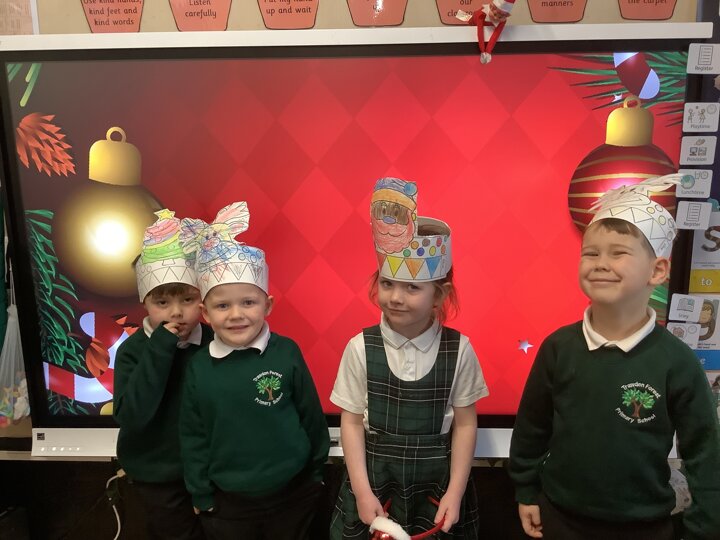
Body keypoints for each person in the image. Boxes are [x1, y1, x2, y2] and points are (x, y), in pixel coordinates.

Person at [509, 174, 720, 540]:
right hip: (560, 518)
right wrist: (526, 489)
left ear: (657, 270)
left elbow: (704, 452)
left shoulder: (677, 361)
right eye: (590, 253)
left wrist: (704, 527)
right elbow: (532, 426)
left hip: (645, 526)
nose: (600, 263)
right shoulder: (558, 347)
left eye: (618, 253)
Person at [329, 178, 489, 539]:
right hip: (374, 483)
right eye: (387, 284)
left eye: (412, 287)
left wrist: (455, 493)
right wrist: (362, 492)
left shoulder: (459, 350)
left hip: (436, 486)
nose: (395, 297)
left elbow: (465, 425)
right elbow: (351, 423)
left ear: (439, 295)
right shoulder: (360, 347)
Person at [178, 201, 330, 540]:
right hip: (229, 505)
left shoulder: (287, 352)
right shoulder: (199, 368)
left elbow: (310, 416)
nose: (236, 314)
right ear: (205, 313)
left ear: (267, 305)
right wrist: (201, 493)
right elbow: (193, 436)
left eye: (248, 302)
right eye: (222, 305)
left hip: (293, 495)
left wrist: (316, 474)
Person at [114, 208, 212, 540]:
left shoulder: (214, 342)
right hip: (157, 475)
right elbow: (131, 416)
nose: (176, 312)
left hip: (210, 471)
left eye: (187, 299)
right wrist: (161, 348)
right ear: (145, 302)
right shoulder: (133, 351)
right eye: (162, 303)